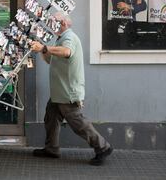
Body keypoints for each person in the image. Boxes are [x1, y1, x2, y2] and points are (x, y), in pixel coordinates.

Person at [30, 12, 113, 166]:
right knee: (51, 118)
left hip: (67, 91)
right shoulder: (60, 39)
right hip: (59, 92)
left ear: (63, 23)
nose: (50, 24)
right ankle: (51, 149)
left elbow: (66, 52)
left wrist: (44, 47)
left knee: (77, 123)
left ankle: (102, 147)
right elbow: (51, 59)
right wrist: (42, 49)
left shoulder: (69, 38)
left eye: (53, 22)